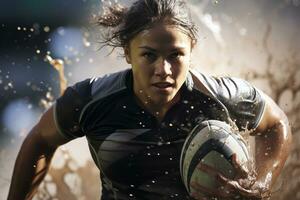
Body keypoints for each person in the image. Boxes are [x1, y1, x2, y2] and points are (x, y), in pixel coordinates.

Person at [7, 0, 292, 199]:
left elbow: (276, 123)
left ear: (191, 51)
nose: (163, 70)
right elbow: (40, 140)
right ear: (128, 53)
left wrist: (261, 183)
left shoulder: (218, 97)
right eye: (149, 55)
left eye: (175, 56)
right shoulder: (90, 100)